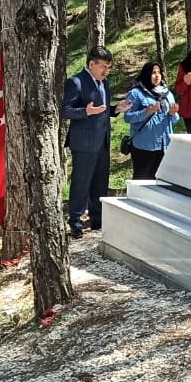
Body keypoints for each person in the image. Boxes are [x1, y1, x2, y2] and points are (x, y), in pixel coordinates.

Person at [62, 46, 122, 240]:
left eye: (109, 67)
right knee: (81, 183)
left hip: (102, 142)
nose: (106, 71)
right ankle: (76, 222)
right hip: (84, 143)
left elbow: (102, 109)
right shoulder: (76, 82)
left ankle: (97, 220)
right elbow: (65, 110)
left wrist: (115, 109)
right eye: (103, 66)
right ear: (91, 64)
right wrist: (85, 112)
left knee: (100, 183)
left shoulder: (105, 83)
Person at [123, 62, 178, 180]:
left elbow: (174, 120)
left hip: (164, 145)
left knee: (160, 182)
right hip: (144, 146)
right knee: (141, 180)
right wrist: (146, 112)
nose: (157, 75)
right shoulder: (135, 93)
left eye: (159, 72)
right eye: (153, 73)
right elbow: (127, 117)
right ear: (146, 74)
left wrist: (173, 114)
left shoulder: (167, 94)